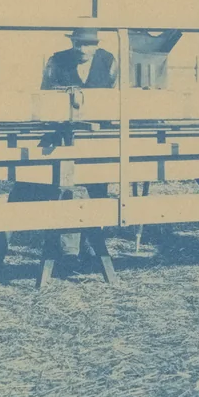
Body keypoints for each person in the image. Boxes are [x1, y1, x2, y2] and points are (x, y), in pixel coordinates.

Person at [36, 27, 118, 275]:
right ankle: (68, 252)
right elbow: (44, 96)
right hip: (63, 136)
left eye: (88, 45)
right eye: (78, 44)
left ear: (96, 44)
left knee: (99, 186)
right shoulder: (56, 61)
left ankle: (91, 245)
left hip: (96, 136)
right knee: (65, 188)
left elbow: (114, 96)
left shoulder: (109, 61)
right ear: (72, 43)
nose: (83, 50)